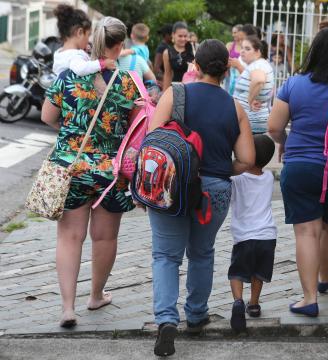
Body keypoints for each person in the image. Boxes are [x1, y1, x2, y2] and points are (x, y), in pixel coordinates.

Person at [147, 39, 255, 357]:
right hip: (215, 190)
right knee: (202, 252)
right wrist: (220, 169)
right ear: (225, 71)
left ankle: (167, 320)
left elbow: (153, 140)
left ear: (195, 65)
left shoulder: (175, 93)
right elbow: (247, 159)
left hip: (172, 186)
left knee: (166, 256)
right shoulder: (234, 107)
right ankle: (196, 315)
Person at [41, 16, 141, 328]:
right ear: (120, 46)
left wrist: (72, 132)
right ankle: (96, 295)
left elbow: (47, 116)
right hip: (111, 172)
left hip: (71, 166)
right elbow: (135, 127)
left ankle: (67, 308)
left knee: (70, 237)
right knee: (105, 236)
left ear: (92, 42)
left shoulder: (69, 76)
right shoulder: (127, 82)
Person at [267, 28, 328, 317]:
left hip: (301, 167)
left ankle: (308, 299)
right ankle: (324, 277)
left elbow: (274, 128)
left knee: (306, 232)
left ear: (314, 52)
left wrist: (285, 143)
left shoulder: (294, 85)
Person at [228, 134, 277, 332]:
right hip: (267, 235)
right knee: (259, 272)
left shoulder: (236, 179)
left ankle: (238, 302)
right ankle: (254, 304)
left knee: (237, 272)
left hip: (244, 236)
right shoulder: (269, 177)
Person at [52, 4, 116, 76]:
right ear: (80, 33)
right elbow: (81, 69)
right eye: (88, 35)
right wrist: (102, 63)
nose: (88, 40)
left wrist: (83, 52)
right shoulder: (74, 56)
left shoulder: (61, 53)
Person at [233, 35, 273, 134]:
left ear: (258, 51)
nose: (242, 51)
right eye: (242, 48)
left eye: (247, 49)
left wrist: (250, 101)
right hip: (252, 120)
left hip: (249, 122)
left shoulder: (258, 65)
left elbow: (259, 80)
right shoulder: (260, 64)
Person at [162, 21, 195, 90]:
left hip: (192, 87)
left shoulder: (193, 49)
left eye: (185, 36)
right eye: (180, 36)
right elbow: (167, 75)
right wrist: (164, 93)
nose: (183, 39)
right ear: (173, 35)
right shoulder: (167, 52)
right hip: (176, 88)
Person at [224, 24, 244, 95]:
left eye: (235, 32)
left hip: (241, 76)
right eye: (232, 33)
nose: (233, 35)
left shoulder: (245, 46)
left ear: (241, 32)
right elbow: (224, 59)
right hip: (230, 76)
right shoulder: (230, 45)